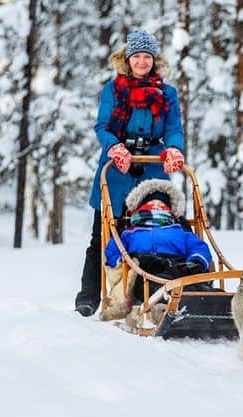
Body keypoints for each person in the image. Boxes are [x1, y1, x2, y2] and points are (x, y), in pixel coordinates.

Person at [75, 28, 186, 316]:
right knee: (103, 235)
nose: (141, 62)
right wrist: (115, 147)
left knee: (161, 230)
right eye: (136, 56)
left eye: (146, 56)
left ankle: (168, 290)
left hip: (152, 168)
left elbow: (174, 129)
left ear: (154, 59)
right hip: (116, 172)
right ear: (127, 59)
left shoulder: (167, 93)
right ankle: (89, 297)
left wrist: (174, 149)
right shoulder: (113, 90)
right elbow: (103, 127)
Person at [100, 180, 212, 321]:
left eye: (162, 205)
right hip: (146, 272)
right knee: (159, 286)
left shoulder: (179, 231)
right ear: (140, 208)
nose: (156, 208)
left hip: (179, 268)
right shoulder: (129, 233)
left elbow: (198, 247)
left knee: (197, 286)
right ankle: (168, 308)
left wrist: (196, 261)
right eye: (151, 205)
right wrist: (130, 260)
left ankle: (220, 304)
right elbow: (112, 253)